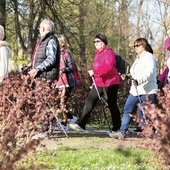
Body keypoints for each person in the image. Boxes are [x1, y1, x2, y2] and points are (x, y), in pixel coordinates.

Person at [69, 33, 121, 132]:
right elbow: (96, 67)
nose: (95, 43)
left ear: (103, 42)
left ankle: (117, 128)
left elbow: (109, 67)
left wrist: (95, 72)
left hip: (111, 82)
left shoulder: (108, 52)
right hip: (99, 82)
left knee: (112, 104)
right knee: (89, 101)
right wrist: (95, 77)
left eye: (98, 41)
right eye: (94, 41)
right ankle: (81, 125)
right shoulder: (97, 53)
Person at [108, 38, 158, 139]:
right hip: (135, 91)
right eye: (134, 46)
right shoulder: (138, 58)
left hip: (147, 90)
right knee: (127, 110)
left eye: (137, 45)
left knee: (146, 114)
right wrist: (127, 76)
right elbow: (135, 73)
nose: (135, 47)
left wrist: (139, 80)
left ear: (143, 46)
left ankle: (153, 134)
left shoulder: (149, 57)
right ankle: (122, 132)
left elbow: (149, 72)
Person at [29, 19, 60, 139]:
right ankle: (47, 129)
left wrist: (37, 69)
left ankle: (44, 131)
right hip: (42, 76)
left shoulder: (50, 40)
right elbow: (39, 58)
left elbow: (51, 59)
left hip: (46, 77)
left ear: (43, 29)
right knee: (43, 103)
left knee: (43, 104)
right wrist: (30, 67)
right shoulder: (43, 41)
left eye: (40, 28)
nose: (39, 30)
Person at [55, 35, 78, 129]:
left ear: (62, 43)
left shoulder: (66, 53)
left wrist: (63, 70)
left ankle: (64, 123)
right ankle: (71, 117)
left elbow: (72, 67)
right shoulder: (55, 54)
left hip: (67, 80)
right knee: (58, 102)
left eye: (57, 42)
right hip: (58, 81)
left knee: (63, 101)